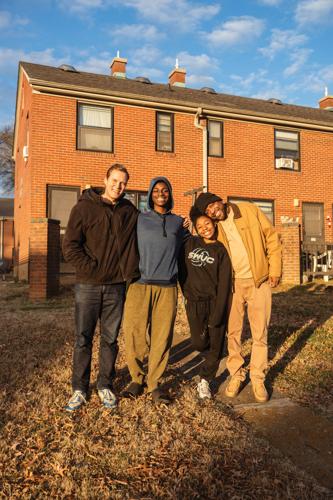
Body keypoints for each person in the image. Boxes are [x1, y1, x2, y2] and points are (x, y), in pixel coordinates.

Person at [62, 164, 139, 412]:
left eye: (123, 183)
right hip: (88, 286)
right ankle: (79, 389)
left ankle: (105, 384)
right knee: (83, 338)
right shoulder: (84, 208)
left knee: (110, 339)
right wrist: (92, 268)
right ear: (105, 180)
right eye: (115, 180)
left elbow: (149, 226)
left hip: (116, 287)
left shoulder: (129, 210)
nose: (119, 186)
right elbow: (70, 246)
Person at [194, 193, 282, 403]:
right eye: (208, 212)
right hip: (231, 286)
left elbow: (271, 236)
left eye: (213, 206)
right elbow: (203, 241)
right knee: (233, 332)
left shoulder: (248, 210)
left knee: (259, 332)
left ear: (220, 201)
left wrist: (275, 269)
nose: (212, 212)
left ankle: (258, 378)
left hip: (258, 280)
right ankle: (236, 374)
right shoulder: (216, 226)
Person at [122, 176, 187, 404]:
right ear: (150, 194)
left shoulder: (179, 223)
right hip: (140, 285)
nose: (161, 193)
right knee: (134, 334)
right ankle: (136, 379)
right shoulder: (139, 219)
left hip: (167, 288)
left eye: (165, 190)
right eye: (156, 190)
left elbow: (188, 248)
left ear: (170, 194)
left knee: (161, 338)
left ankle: (154, 384)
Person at [178, 208, 232, 399]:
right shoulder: (190, 243)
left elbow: (225, 282)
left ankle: (205, 379)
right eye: (200, 226)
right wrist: (185, 290)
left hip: (215, 301)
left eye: (207, 224)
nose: (204, 228)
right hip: (194, 302)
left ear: (214, 224)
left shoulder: (220, 250)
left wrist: (219, 311)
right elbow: (180, 265)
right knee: (198, 342)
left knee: (216, 344)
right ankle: (211, 356)